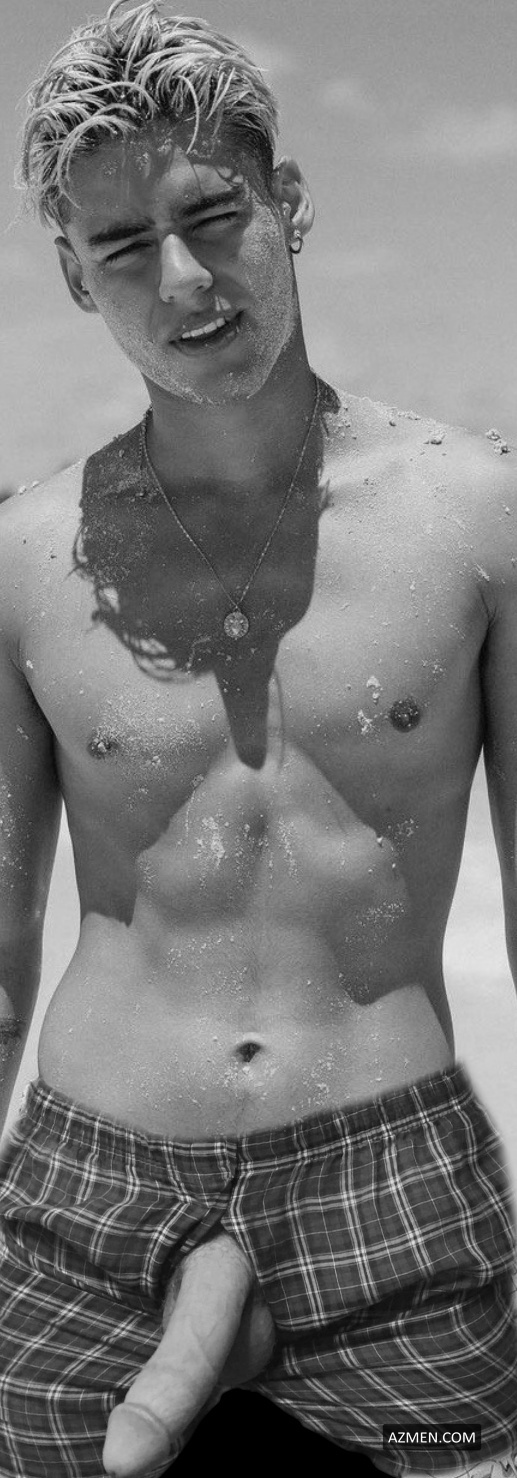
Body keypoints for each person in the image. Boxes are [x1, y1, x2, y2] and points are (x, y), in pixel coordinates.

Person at [1, 1, 517, 1475]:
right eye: (122, 247)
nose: (181, 281)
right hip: (86, 1196)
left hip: (387, 1178)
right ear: (74, 275)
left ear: (286, 201)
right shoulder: (26, 559)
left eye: (212, 217)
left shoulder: (473, 516)